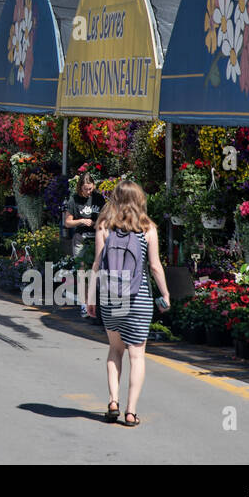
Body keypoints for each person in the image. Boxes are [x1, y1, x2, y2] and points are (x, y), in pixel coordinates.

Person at [86, 180, 170, 428]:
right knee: (137, 356)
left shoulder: (104, 227)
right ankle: (131, 412)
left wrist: (91, 298)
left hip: (112, 296)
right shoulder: (148, 228)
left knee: (115, 350)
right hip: (139, 297)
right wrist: (165, 293)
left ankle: (113, 401)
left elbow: (96, 266)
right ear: (139, 199)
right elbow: (154, 266)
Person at [63, 173, 106, 258]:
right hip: (80, 239)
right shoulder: (74, 200)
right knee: (80, 267)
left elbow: (105, 218)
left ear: (93, 185)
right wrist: (81, 221)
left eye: (90, 189)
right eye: (85, 189)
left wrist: (96, 223)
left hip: (97, 238)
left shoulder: (98, 198)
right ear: (80, 187)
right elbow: (67, 223)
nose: (88, 192)